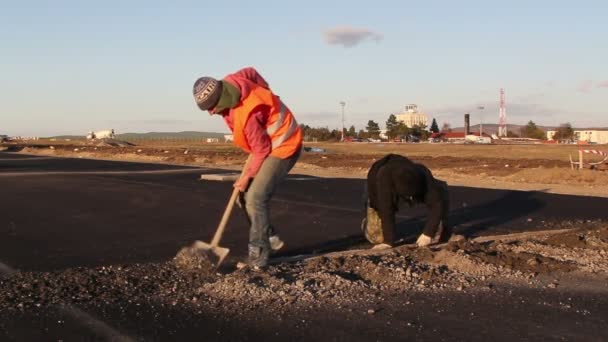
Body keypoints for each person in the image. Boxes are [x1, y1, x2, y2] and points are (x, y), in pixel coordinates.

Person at [193, 67, 303, 268]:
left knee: (254, 197)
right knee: (242, 198)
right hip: (267, 141)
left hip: (283, 144)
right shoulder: (232, 81)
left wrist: (245, 178)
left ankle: (259, 254)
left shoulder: (246, 117)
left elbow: (261, 149)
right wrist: (266, 92)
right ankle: (269, 236)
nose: (211, 112)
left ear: (222, 98)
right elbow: (251, 72)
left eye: (212, 107)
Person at [362, 154, 451, 248]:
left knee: (441, 190)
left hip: (404, 176)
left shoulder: (422, 173)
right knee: (377, 238)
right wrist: (388, 242)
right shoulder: (384, 180)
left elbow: (436, 203)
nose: (411, 199)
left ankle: (444, 230)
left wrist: (428, 233)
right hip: (375, 187)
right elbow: (386, 210)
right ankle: (366, 223)